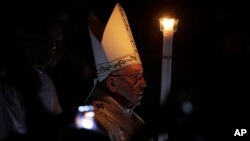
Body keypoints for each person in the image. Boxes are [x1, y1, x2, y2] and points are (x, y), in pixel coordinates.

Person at [0, 5, 65, 140]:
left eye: (61, 42)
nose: (61, 50)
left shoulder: (46, 81)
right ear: (31, 46)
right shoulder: (7, 88)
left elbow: (57, 119)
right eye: (54, 43)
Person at [86, 3, 148, 141]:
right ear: (112, 84)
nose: (144, 83)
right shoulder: (97, 122)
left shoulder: (137, 120)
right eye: (136, 76)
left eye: (141, 75)